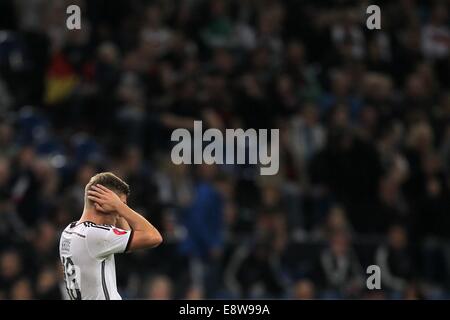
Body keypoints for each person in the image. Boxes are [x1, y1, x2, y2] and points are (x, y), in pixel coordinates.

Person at [59, 172, 162, 300]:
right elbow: (154, 237)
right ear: (100, 204)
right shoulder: (95, 235)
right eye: (120, 205)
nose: (120, 214)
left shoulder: (69, 231)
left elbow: (127, 236)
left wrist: (118, 206)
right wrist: (119, 206)